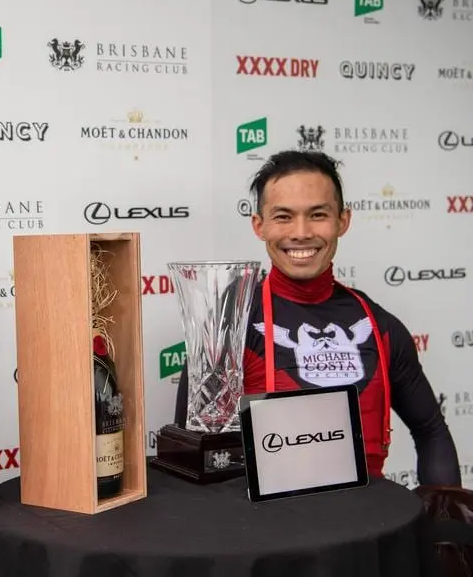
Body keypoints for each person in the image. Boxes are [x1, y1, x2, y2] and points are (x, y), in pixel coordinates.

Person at [175, 149, 460, 486]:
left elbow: (432, 431)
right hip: (271, 532)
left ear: (343, 221)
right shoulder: (229, 325)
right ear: (259, 225)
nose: (301, 232)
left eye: (318, 214)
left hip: (368, 528)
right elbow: (190, 449)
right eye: (283, 216)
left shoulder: (378, 325)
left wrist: (443, 527)